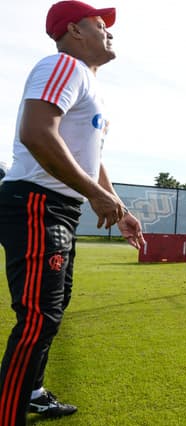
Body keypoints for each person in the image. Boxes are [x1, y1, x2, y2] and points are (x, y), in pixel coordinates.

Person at [0, 2, 145, 424]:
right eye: (100, 25)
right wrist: (94, 195)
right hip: (35, 203)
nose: (109, 33)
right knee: (36, 317)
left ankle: (33, 392)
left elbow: (90, 158)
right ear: (75, 31)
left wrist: (117, 208)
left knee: (52, 310)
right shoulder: (62, 65)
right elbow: (36, 132)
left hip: (59, 208)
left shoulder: (89, 84)